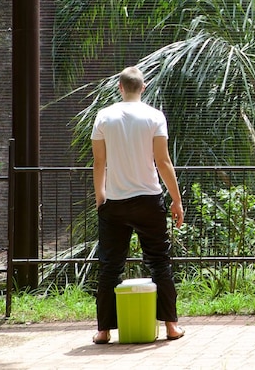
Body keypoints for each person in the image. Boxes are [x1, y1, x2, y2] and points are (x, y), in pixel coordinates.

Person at [90, 66, 186, 345]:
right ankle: (170, 326)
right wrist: (177, 199)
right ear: (143, 88)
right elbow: (163, 161)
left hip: (115, 202)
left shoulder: (104, 116)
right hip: (149, 200)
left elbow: (99, 161)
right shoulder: (154, 116)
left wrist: (100, 197)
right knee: (159, 263)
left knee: (110, 266)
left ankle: (104, 331)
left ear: (119, 87)